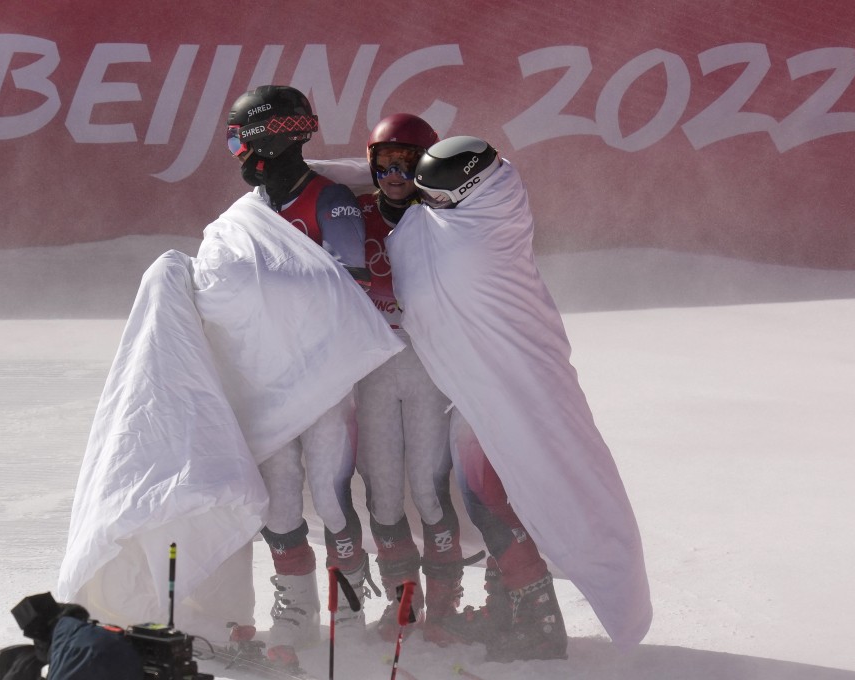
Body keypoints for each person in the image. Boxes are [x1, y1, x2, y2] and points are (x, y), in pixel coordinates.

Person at [385, 136, 653, 662]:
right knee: (494, 495)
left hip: (519, 388)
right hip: (478, 391)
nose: (425, 207)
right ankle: (509, 606)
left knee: (494, 500)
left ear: (465, 192)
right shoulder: (491, 195)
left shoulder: (472, 243)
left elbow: (421, 264)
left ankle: (539, 621)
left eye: (435, 198)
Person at [224, 85, 378, 666]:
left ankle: (349, 605)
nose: (236, 153)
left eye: (239, 138)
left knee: (332, 497)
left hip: (326, 378)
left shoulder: (330, 200)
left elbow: (351, 288)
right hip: (270, 378)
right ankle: (296, 610)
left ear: (271, 137)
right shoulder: (250, 214)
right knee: (280, 502)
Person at [353, 114, 477, 643]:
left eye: (408, 162)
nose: (395, 174)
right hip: (376, 367)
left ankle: (445, 603)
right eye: (384, 162)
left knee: (428, 489)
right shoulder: (352, 215)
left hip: (429, 365)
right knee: (381, 493)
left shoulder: (446, 219)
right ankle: (403, 599)